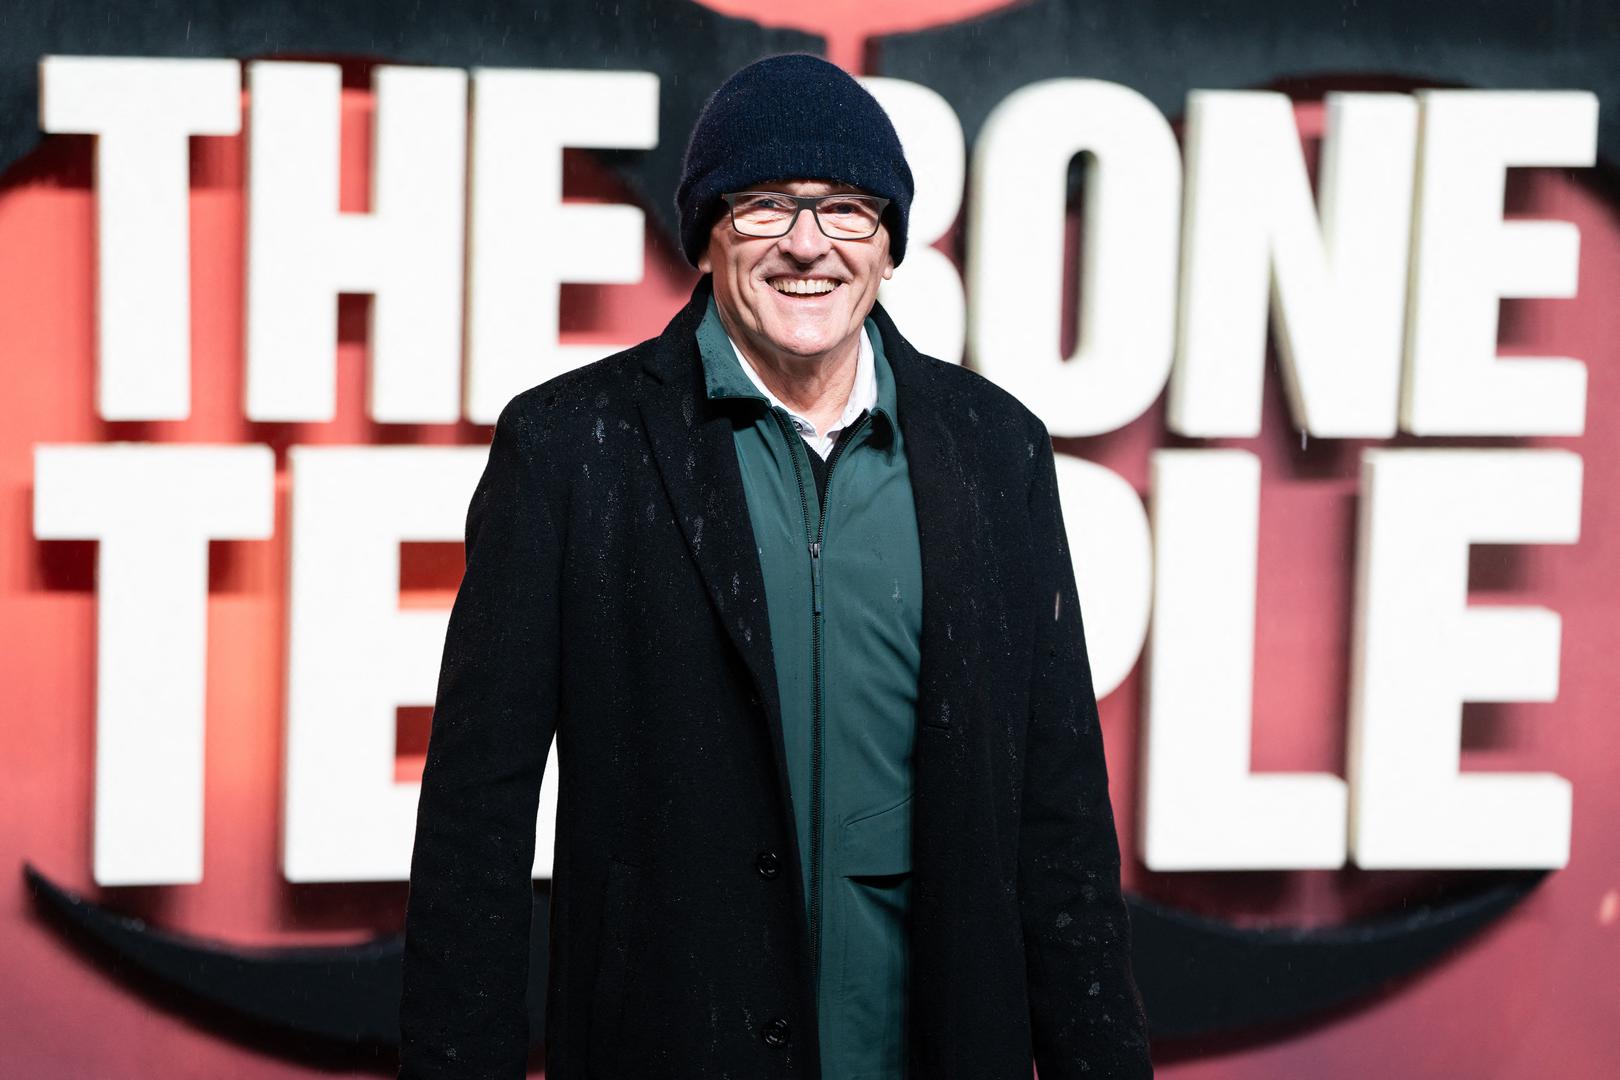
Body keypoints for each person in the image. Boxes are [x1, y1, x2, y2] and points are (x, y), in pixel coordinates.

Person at [397, 52, 1152, 1080]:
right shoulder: (571, 448)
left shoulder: (995, 450)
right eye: (764, 206)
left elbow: (1059, 823)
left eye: (846, 209)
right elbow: (474, 824)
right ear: (707, 235)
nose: (808, 243)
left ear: (888, 244)